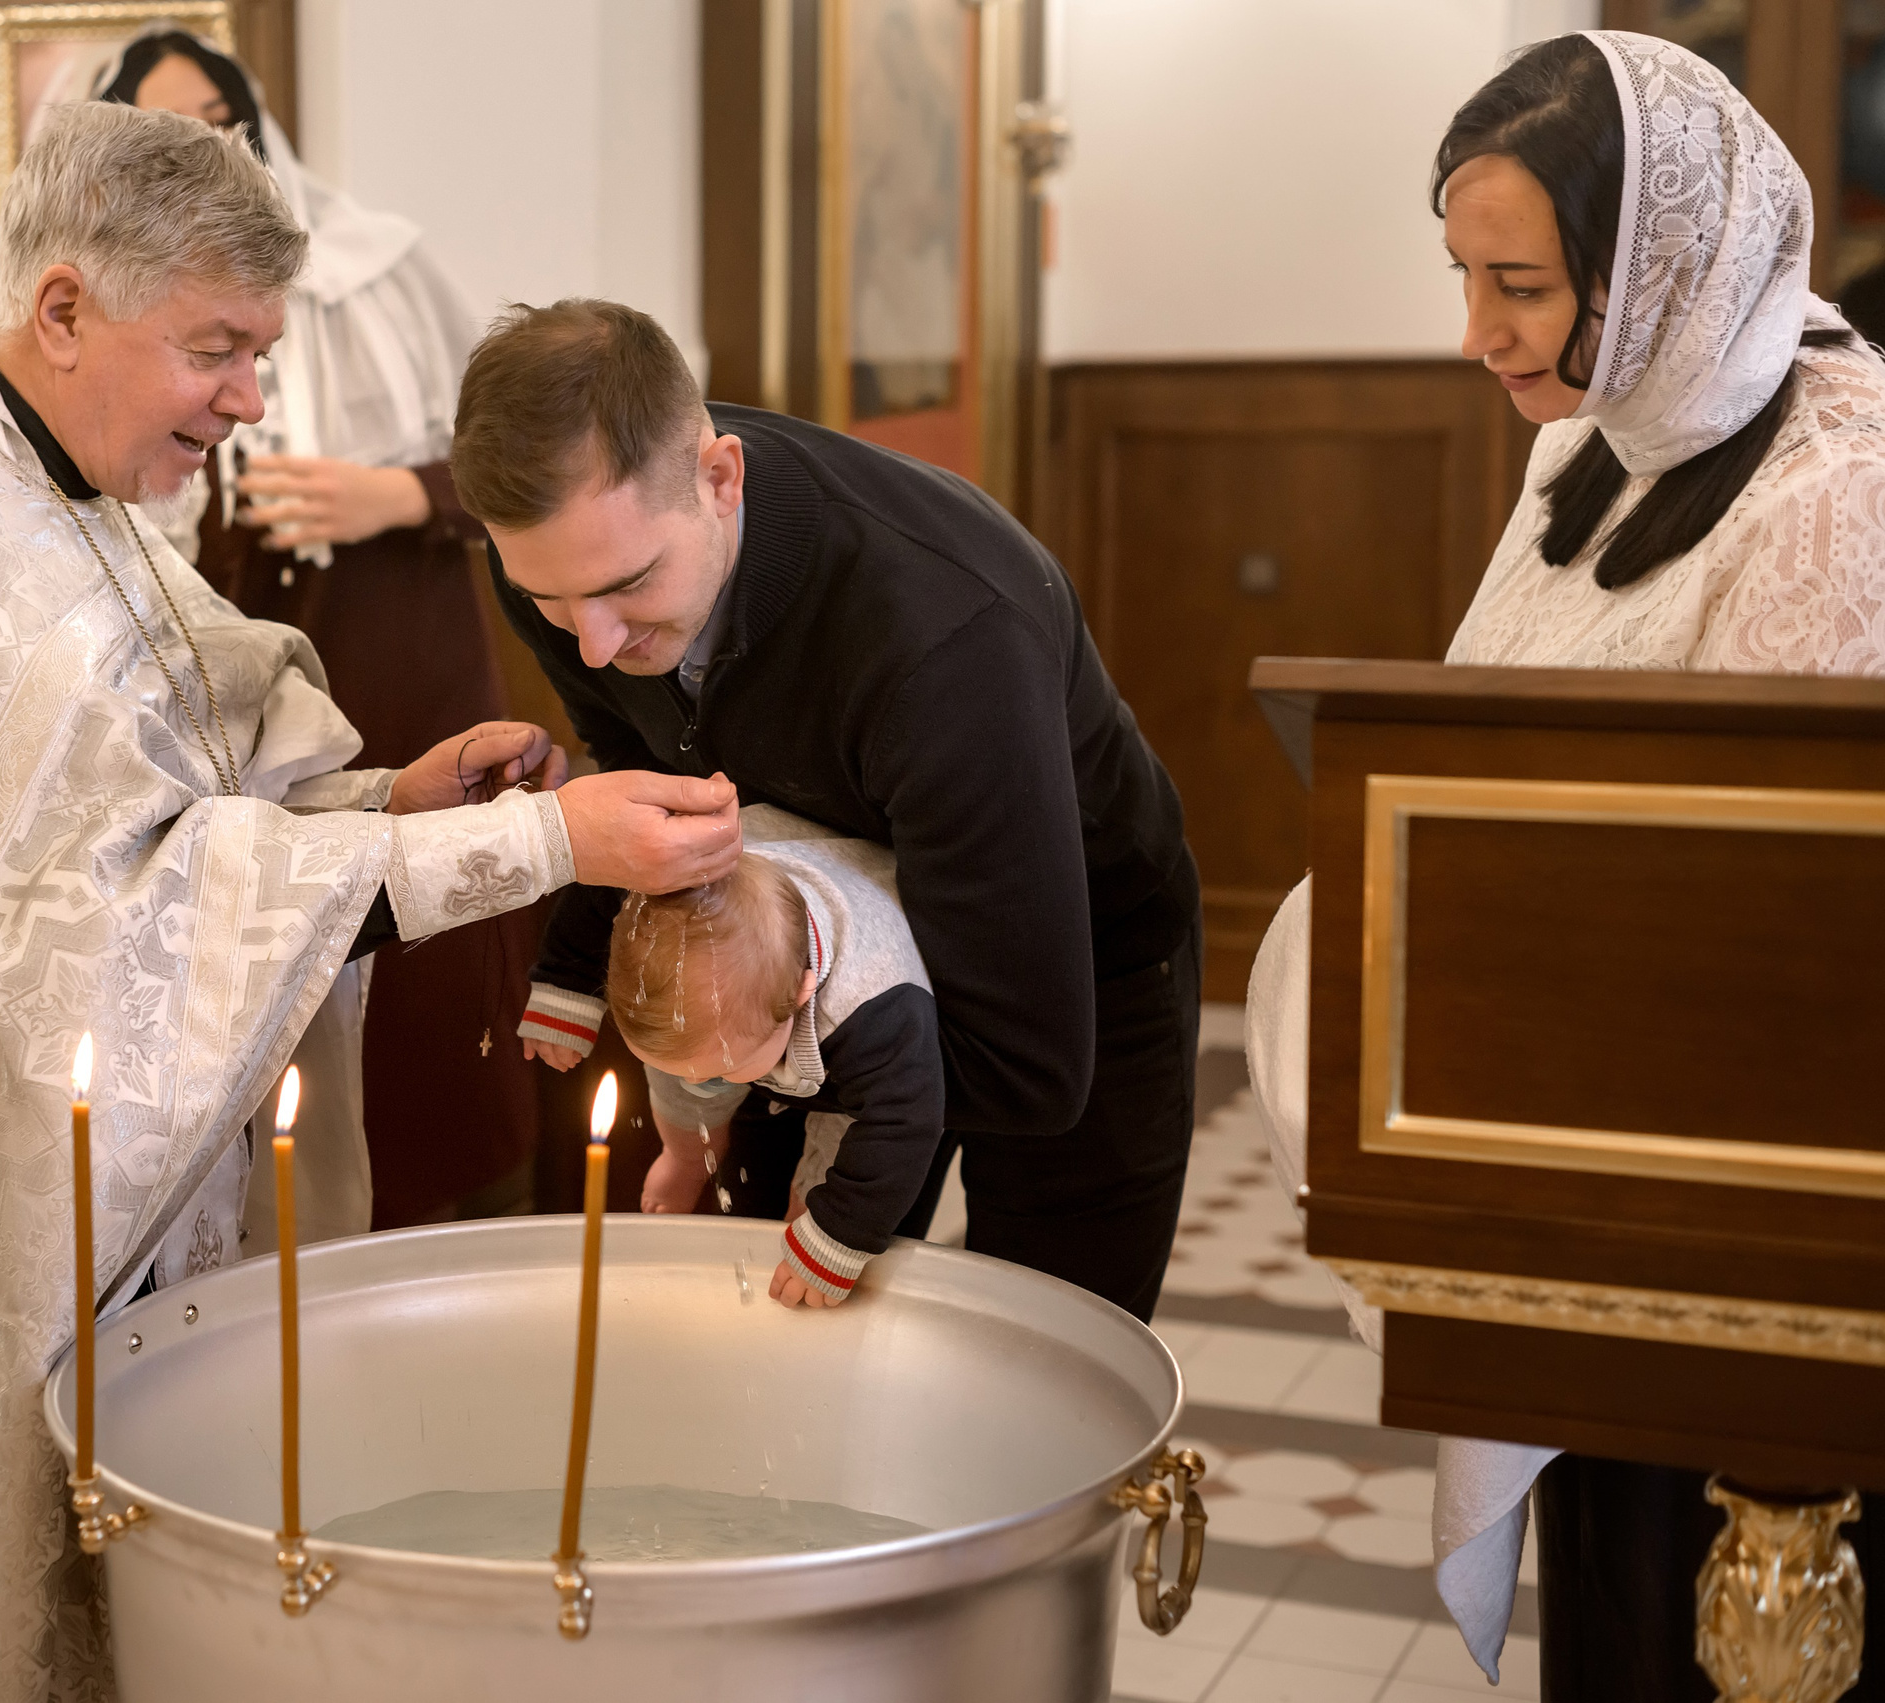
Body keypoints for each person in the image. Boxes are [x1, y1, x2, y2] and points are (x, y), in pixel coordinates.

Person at [0, 105, 737, 1703]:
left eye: (260, 351)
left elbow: (165, 818)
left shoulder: (37, 475)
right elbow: (104, 936)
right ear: (65, 308)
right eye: (217, 347)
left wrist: (391, 801)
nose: (250, 400)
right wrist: (538, 846)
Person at [1244, 30, 1885, 1700]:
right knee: (1610, 1615)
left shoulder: (1838, 486)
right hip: (1580, 1185)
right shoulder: (1597, 442)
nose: (1478, 332)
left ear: (1661, 263)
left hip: (1743, 1239)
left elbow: (1772, 914)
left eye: (1519, 284)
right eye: (1463, 276)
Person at [455, 299, 1202, 1325]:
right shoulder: (569, 561)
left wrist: (794, 1077)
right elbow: (645, 751)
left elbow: (1030, 1070)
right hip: (790, 936)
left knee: (1047, 1343)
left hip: (1062, 959)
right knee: (766, 1322)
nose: (591, 645)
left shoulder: (946, 636)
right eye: (549, 601)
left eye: (630, 587)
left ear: (720, 478)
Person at [98, 28, 546, 1226]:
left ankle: (464, 1243)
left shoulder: (377, 264)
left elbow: (516, 466)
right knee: (280, 984)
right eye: (164, 132)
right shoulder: (113, 313)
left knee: (432, 972)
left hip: (406, 670)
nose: (201, 152)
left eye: (219, 125)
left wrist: (392, 495)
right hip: (243, 706)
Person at [604, 805, 941, 1308]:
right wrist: (685, 1154)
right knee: (683, 1059)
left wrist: (835, 1235)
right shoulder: (665, 918)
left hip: (866, 954)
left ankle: (809, 1207)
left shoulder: (869, 1015)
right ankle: (685, 1154)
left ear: (800, 996)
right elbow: (591, 894)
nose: (699, 1082)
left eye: (725, 1067)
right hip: (760, 858)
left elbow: (903, 1124)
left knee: (843, 1132)